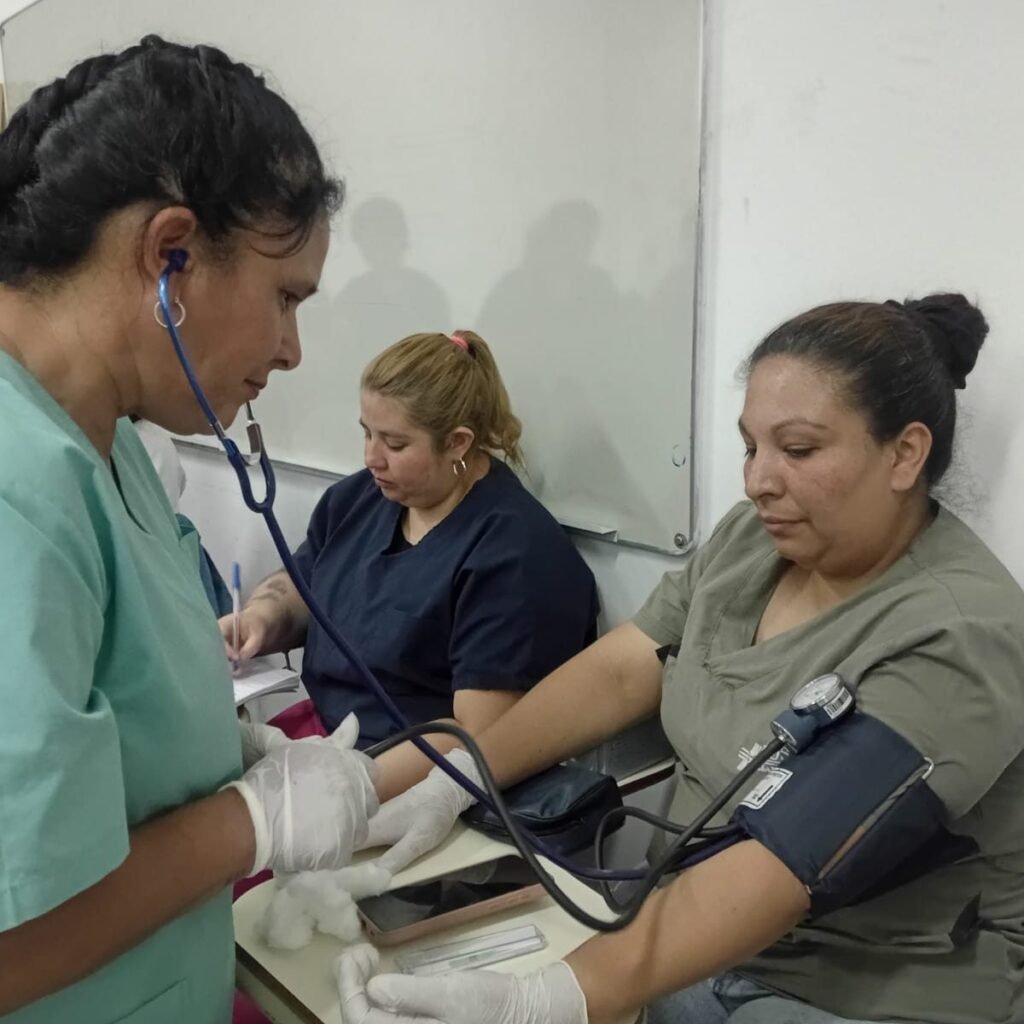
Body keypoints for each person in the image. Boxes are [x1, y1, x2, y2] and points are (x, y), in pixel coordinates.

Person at [335, 294, 1024, 1024]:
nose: (758, 480)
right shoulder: (752, 542)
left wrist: (552, 997)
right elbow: (621, 669)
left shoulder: (963, 631)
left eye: (797, 450)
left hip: (855, 987)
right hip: (684, 939)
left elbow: (789, 858)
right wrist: (463, 778)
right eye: (751, 447)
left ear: (904, 454)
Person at [0, 37, 380, 1023]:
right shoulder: (14, 484)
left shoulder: (109, 443)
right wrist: (252, 822)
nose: (292, 351)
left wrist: (229, 749)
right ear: (168, 252)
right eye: (285, 297)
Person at [220, 330, 598, 774]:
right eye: (366, 434)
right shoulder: (358, 500)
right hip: (321, 742)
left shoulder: (515, 557)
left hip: (417, 775)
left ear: (457, 442)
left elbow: (479, 739)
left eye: (395, 444)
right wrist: (260, 620)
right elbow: (306, 585)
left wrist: (353, 788)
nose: (371, 458)